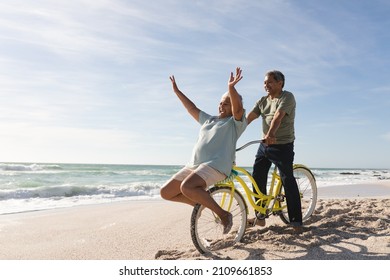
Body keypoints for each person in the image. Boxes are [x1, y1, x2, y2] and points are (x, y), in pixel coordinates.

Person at [160, 67, 247, 234]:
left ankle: (223, 215)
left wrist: (231, 88)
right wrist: (177, 92)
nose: (222, 104)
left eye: (227, 102)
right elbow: (191, 108)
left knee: (187, 187)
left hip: (217, 165)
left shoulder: (235, 123)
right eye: (221, 101)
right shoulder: (209, 120)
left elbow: (238, 109)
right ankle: (200, 202)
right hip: (195, 165)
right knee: (166, 192)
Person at [247, 70, 302, 230]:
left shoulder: (287, 97)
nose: (266, 85)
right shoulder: (262, 101)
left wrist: (270, 134)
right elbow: (249, 118)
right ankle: (260, 215)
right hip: (265, 145)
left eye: (270, 82)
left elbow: (278, 116)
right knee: (257, 176)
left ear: (280, 83)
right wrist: (232, 132)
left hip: (283, 144)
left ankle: (296, 221)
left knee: (287, 179)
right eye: (265, 82)